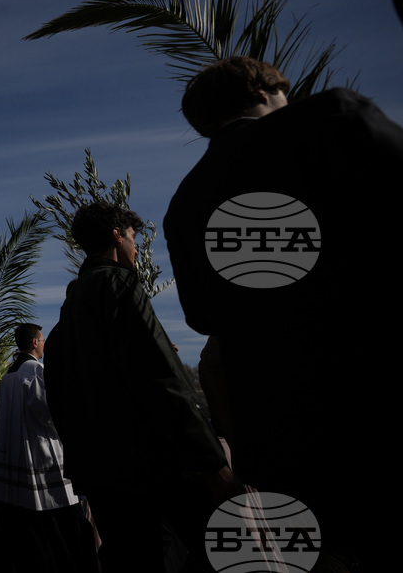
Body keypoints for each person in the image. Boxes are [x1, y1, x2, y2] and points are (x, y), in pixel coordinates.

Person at [164, 57, 403, 568]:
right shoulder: (331, 119)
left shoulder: (184, 203)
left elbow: (201, 314)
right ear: (269, 86)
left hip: (280, 442)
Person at [45, 201, 240, 573]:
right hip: (153, 468)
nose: (136, 249)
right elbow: (163, 379)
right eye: (134, 239)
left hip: (101, 474)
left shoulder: (67, 314)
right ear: (117, 237)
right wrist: (213, 461)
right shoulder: (118, 285)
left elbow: (59, 397)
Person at [0, 323, 99, 573]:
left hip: (16, 460)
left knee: (26, 527)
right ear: (35, 343)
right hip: (41, 457)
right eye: (43, 339)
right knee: (65, 525)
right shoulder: (36, 371)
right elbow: (50, 415)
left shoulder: (8, 376)